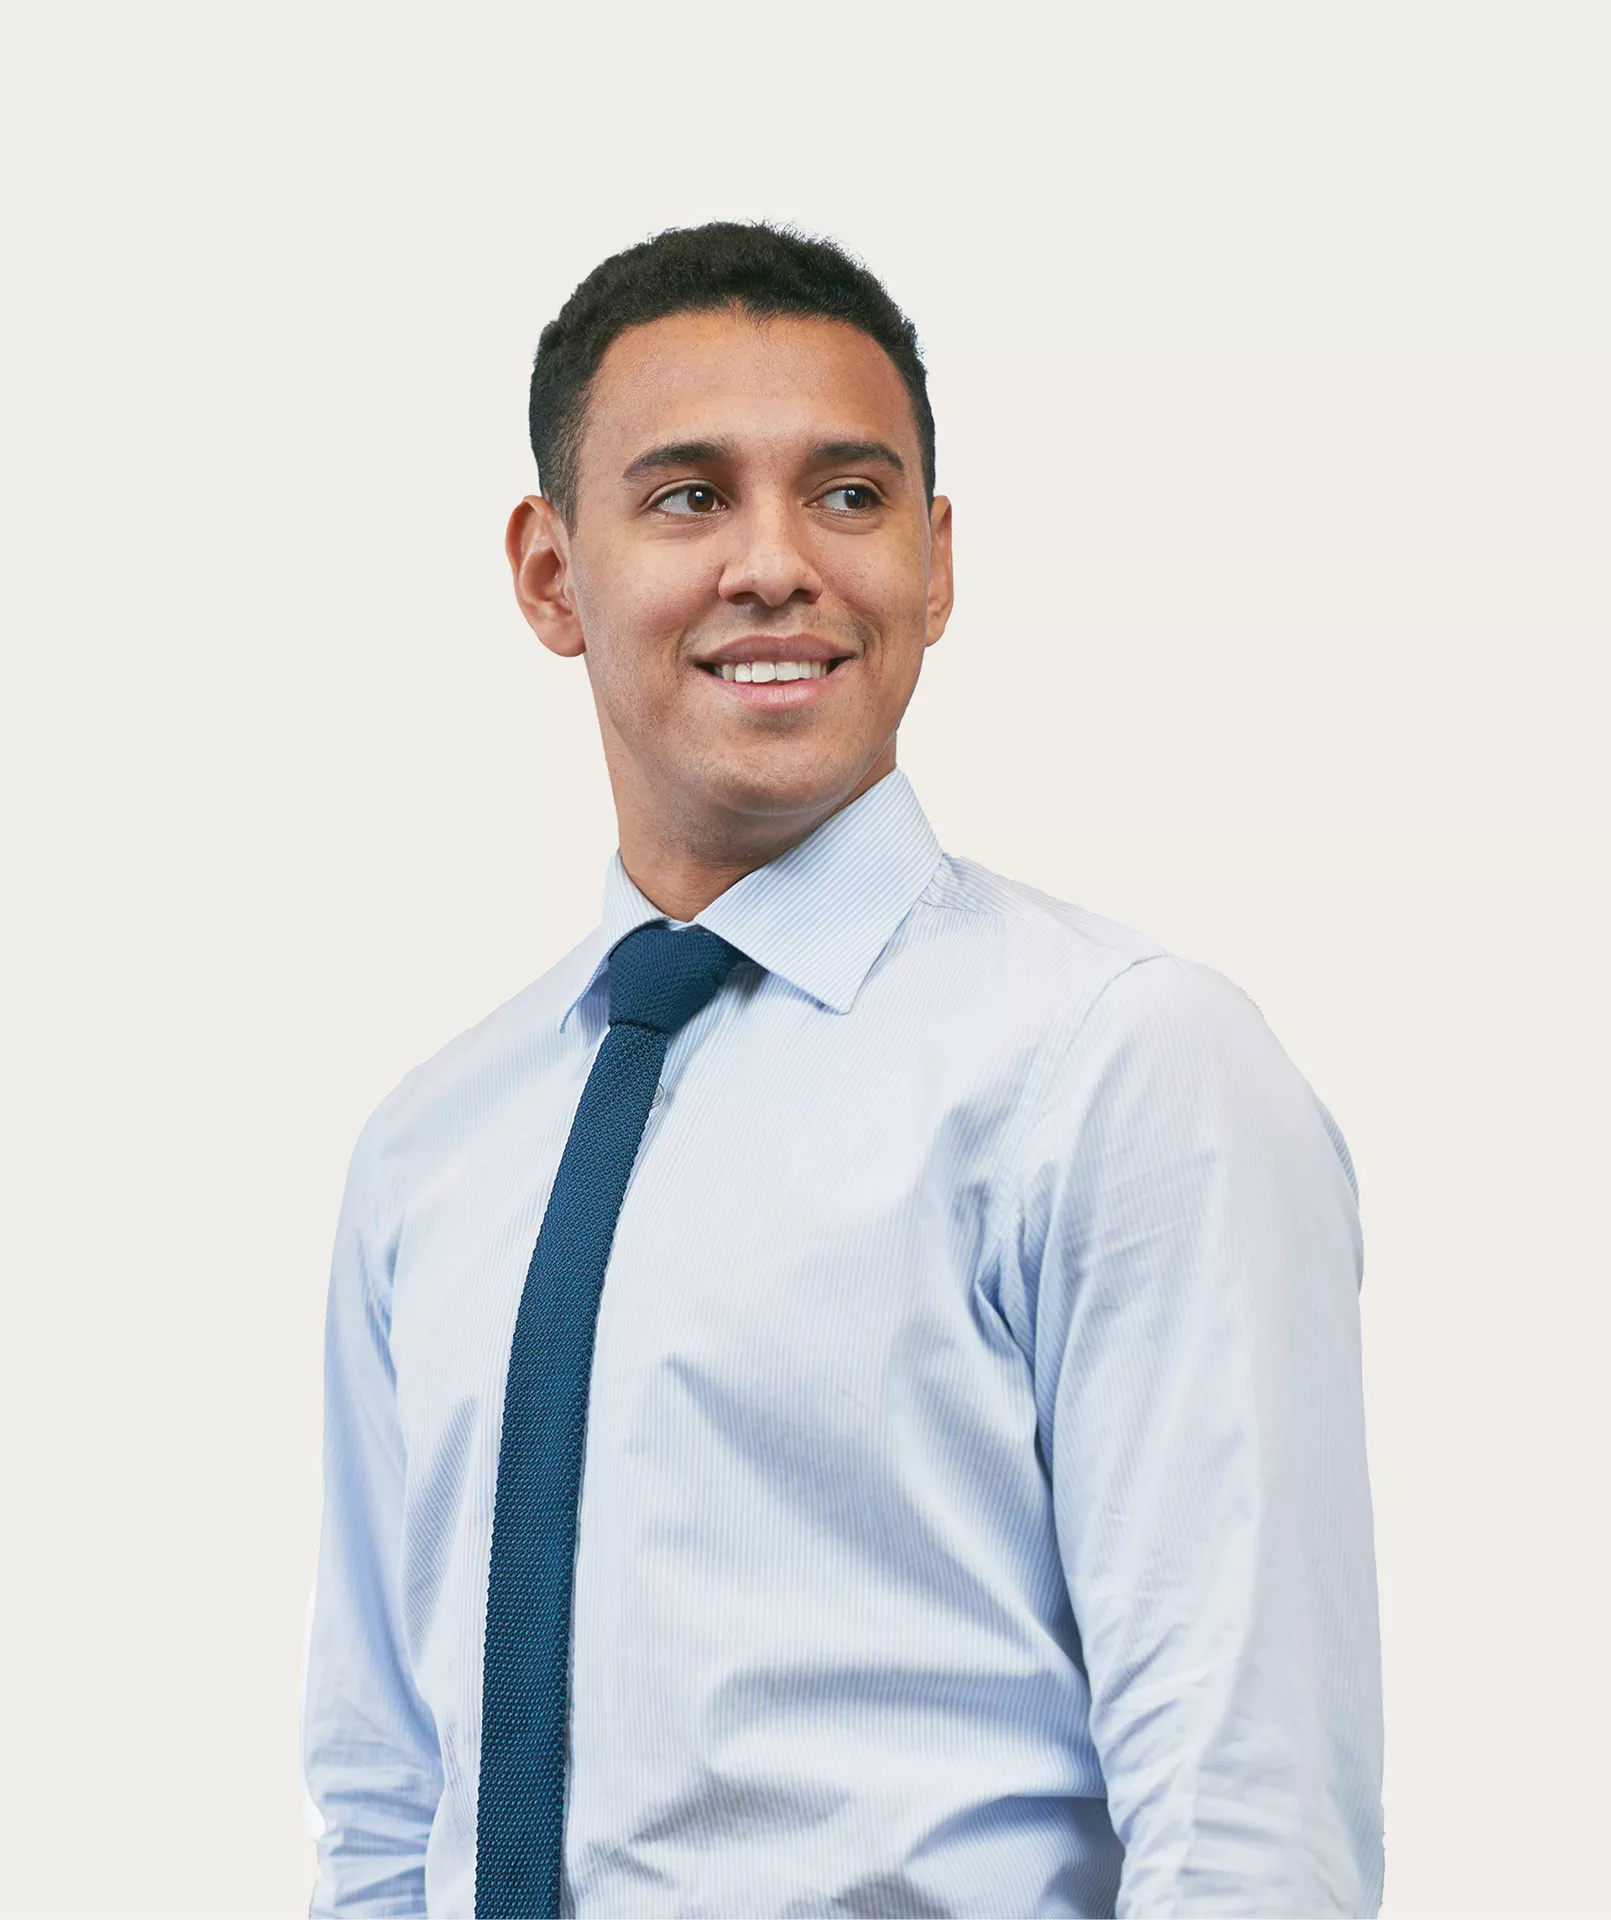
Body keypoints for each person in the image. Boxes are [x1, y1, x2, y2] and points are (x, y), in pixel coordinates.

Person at [301, 221, 1384, 1920]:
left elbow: (1248, 1816)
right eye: (687, 497)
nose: (776, 564)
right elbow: (383, 1801)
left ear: (934, 564)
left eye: (848, 495)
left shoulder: (1123, 1070)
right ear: (549, 575)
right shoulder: (433, 1149)